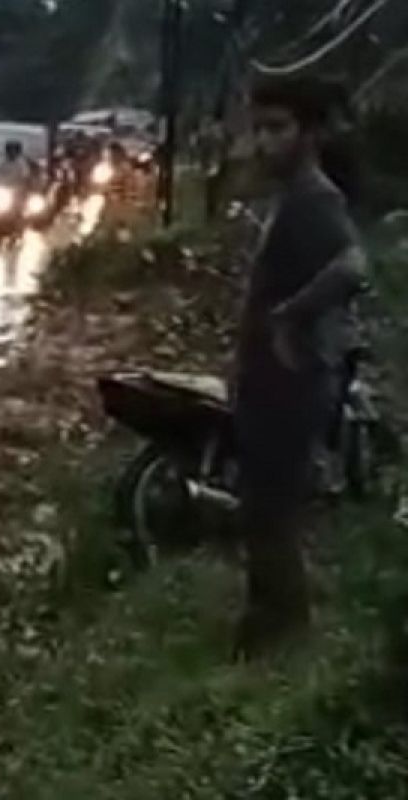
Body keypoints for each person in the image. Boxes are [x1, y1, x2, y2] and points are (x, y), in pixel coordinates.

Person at [233, 76, 367, 658]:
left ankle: (281, 639)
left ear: (308, 133)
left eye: (277, 129)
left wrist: (289, 317)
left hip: (291, 380)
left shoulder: (316, 197)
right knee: (262, 513)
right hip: (271, 379)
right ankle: (271, 631)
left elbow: (353, 266)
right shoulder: (294, 196)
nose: (264, 142)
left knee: (273, 516)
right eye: (258, 129)